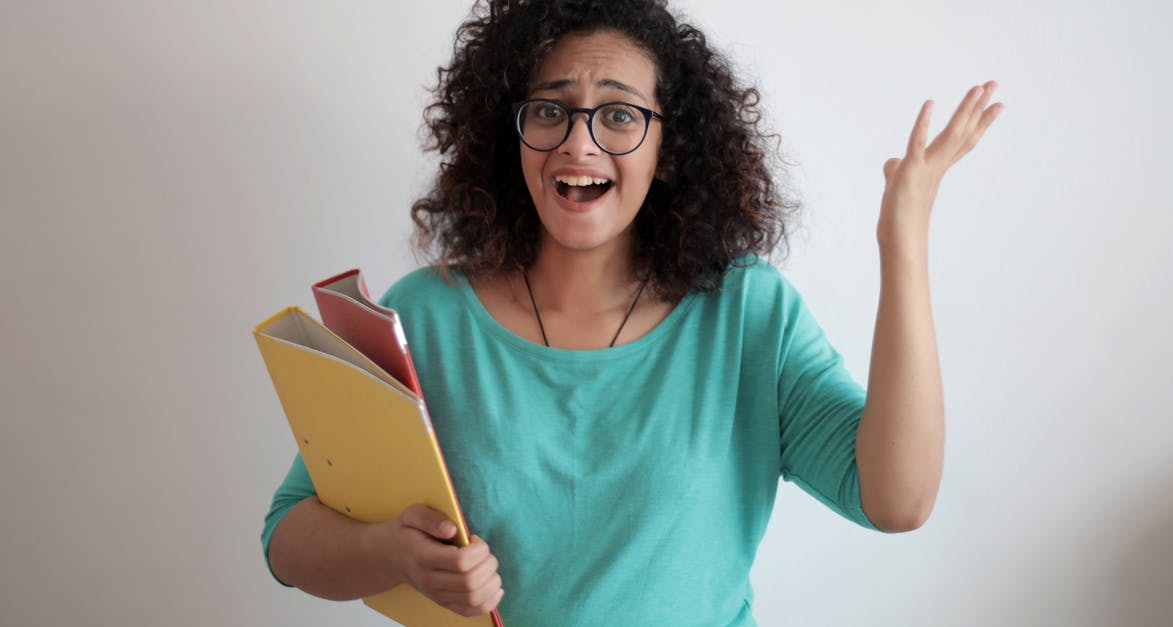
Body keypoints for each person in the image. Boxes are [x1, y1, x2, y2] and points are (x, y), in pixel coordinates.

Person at [260, 0, 1002, 624]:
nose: (579, 142)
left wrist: (902, 241)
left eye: (619, 114)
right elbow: (288, 536)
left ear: (669, 146)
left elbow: (898, 498)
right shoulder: (425, 316)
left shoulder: (745, 313)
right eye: (551, 110)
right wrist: (394, 553)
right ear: (508, 132)